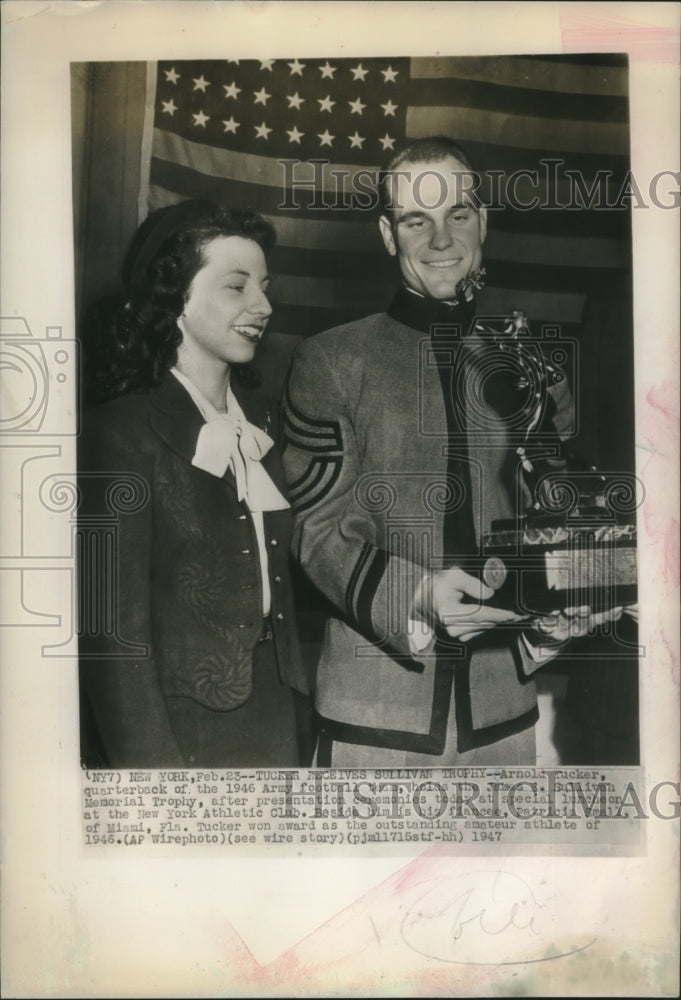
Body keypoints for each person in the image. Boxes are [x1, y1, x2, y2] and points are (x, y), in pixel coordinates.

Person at [282, 136, 620, 767]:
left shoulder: (526, 363)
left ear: (482, 221)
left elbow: (552, 517)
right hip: (376, 716)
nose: (441, 241)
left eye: (457, 215)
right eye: (416, 221)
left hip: (504, 709)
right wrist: (417, 595)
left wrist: (579, 578)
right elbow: (316, 531)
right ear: (388, 235)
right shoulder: (331, 359)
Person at [78, 199, 311, 768]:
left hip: (279, 724)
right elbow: (112, 642)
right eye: (237, 286)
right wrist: (158, 783)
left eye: (265, 286)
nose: (263, 305)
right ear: (176, 297)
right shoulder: (120, 433)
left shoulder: (261, 425)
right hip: (180, 740)